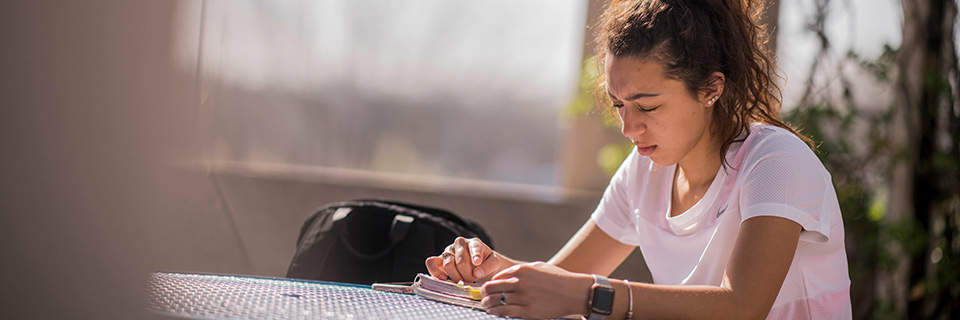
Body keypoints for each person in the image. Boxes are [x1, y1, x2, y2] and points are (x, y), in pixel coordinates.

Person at [425, 0, 852, 319]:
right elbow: (560, 279)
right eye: (618, 106)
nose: (629, 129)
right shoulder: (644, 171)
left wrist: (592, 294)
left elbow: (742, 306)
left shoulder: (776, 162)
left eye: (647, 107)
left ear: (711, 89)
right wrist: (494, 271)